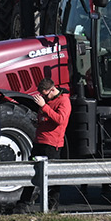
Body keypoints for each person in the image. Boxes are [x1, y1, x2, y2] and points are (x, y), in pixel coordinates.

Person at [20, 78, 70, 211]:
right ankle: (23, 204)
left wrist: (44, 106)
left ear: (53, 89)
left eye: (46, 95)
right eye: (42, 96)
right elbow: (47, 118)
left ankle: (52, 206)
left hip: (52, 144)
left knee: (52, 177)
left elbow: (60, 119)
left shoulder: (64, 101)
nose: (44, 98)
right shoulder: (48, 101)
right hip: (39, 141)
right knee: (31, 173)